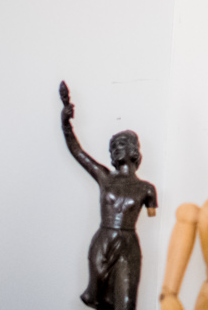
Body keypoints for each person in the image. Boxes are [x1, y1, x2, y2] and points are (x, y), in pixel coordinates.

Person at [59, 81, 156, 310]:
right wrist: (65, 124)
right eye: (113, 147)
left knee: (126, 304)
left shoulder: (147, 189)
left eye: (121, 144)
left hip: (128, 245)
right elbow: (78, 152)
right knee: (102, 303)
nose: (116, 149)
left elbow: (152, 214)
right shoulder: (105, 177)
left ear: (134, 150)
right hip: (103, 242)